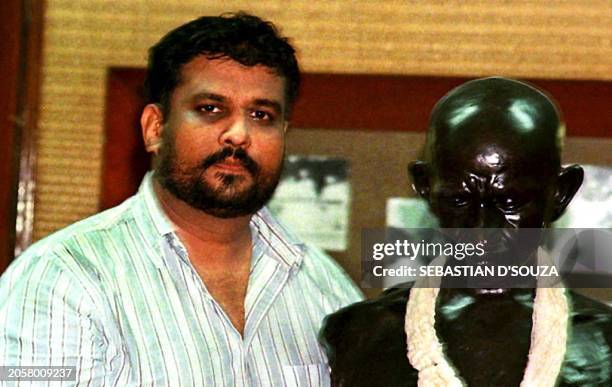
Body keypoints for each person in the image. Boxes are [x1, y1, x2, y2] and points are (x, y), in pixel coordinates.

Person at [0, 13, 362, 386]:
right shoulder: (63, 278)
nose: (238, 135)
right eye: (210, 109)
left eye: (261, 115)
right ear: (155, 129)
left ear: (283, 134)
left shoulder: (326, 288)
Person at [320, 77, 612, 386]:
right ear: (425, 187)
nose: (482, 232)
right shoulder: (359, 334)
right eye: (459, 200)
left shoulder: (602, 342)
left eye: (510, 202)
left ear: (559, 194)